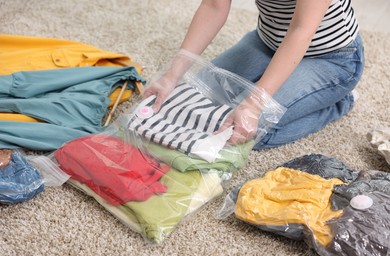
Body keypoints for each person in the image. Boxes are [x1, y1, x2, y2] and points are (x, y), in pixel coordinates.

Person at [143, 0, 365, 150]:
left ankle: (339, 102)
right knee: (191, 102)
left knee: (243, 133)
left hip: (330, 58)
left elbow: (301, 30)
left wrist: (254, 103)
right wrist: (171, 75)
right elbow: (214, 5)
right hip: (266, 43)